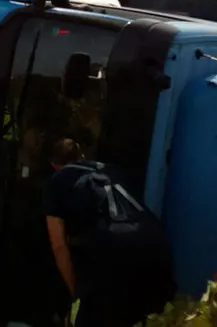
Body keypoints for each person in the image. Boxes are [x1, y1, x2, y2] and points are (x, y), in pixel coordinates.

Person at [43, 138, 175, 327]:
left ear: (55, 166)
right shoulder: (112, 170)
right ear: (82, 156)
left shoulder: (56, 182)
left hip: (112, 249)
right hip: (155, 242)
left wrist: (77, 295)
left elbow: (58, 245)